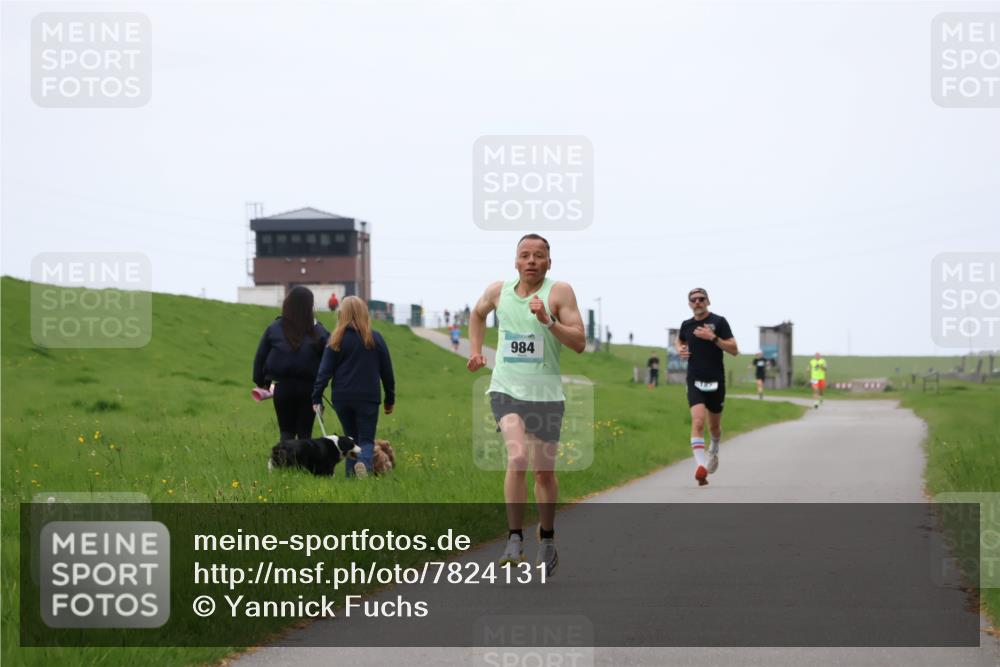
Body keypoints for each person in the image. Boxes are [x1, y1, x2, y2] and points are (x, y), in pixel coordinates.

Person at [467, 234, 585, 576]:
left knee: (544, 472)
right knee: (517, 457)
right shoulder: (497, 291)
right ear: (515, 261)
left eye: (539, 256)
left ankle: (546, 539)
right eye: (525, 255)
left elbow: (579, 342)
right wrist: (476, 350)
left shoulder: (559, 292)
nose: (531, 260)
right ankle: (514, 537)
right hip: (505, 390)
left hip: (546, 395)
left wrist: (549, 321)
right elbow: (477, 315)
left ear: (549, 262)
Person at [312, 296, 396, 478]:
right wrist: (390, 399)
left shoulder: (335, 339)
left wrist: (316, 397)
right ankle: (363, 464)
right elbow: (387, 373)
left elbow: (323, 372)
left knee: (351, 438)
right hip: (368, 397)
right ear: (364, 313)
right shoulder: (375, 338)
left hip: (342, 397)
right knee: (365, 440)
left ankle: (352, 477)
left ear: (341, 314)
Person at [677, 288, 738, 486]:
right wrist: (680, 349)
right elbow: (680, 339)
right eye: (693, 300)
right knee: (697, 422)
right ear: (689, 304)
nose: (697, 302)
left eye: (701, 299)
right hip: (694, 379)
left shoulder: (719, 322)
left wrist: (712, 337)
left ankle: (714, 447)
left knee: (714, 427)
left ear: (708, 301)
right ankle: (701, 468)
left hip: (716, 380)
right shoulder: (686, 325)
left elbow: (734, 349)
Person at [253, 286, 330, 441]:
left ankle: (283, 463)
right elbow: (330, 360)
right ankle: (303, 464)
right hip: (310, 389)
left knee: (286, 432)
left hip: (283, 388)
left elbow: (260, 356)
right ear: (310, 306)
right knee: (305, 433)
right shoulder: (320, 332)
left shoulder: (274, 328)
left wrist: (261, 381)